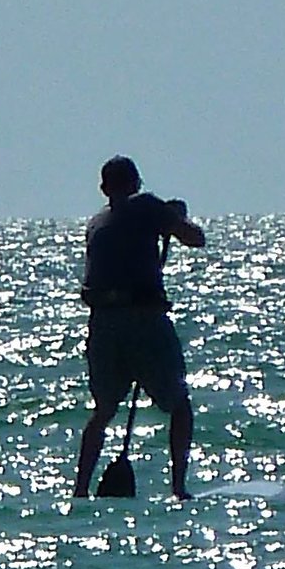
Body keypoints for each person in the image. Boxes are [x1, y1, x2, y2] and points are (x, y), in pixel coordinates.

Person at [73, 157, 207, 501]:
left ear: (105, 189)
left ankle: (80, 489)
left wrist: (165, 219)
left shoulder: (96, 222)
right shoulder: (147, 206)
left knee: (102, 411)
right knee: (179, 405)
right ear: (136, 184)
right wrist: (173, 218)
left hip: (103, 325)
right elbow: (195, 238)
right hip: (144, 322)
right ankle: (178, 487)